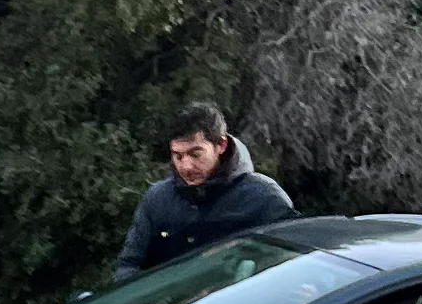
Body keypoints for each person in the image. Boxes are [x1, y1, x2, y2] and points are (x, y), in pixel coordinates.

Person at [113, 101, 294, 280]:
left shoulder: (264, 198)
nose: (186, 166)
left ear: (221, 146)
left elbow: (292, 266)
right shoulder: (158, 199)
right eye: (178, 156)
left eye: (195, 154)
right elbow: (129, 266)